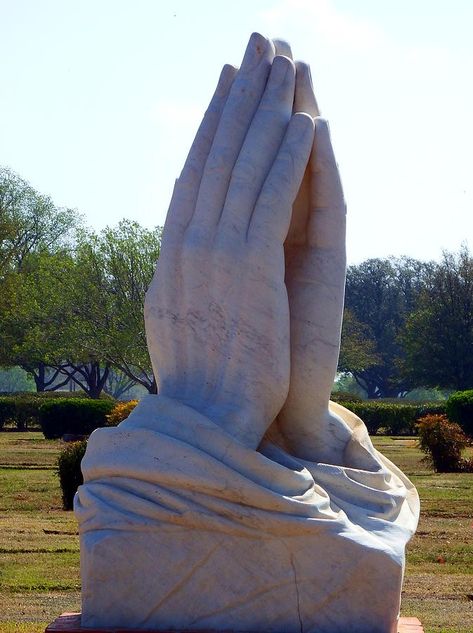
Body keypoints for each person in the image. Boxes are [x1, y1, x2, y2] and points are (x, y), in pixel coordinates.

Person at [76, 33, 419, 632]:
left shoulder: (366, 495)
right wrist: (212, 419)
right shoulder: (130, 509)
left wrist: (303, 429)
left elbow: (368, 554)